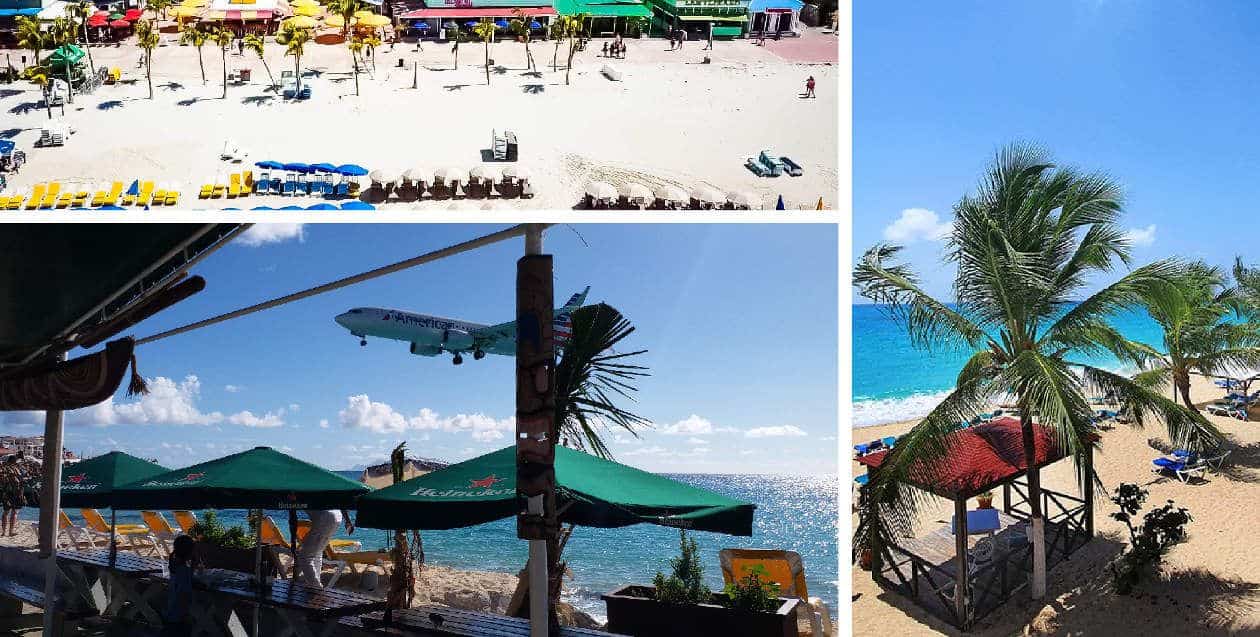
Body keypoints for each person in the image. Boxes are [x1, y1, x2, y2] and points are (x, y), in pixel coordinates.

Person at [296, 510, 352, 587]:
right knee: (317, 553)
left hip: (326, 517)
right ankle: (316, 584)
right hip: (337, 515)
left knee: (304, 557)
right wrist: (348, 521)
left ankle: (316, 587)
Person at [161, 534, 197, 637]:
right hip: (180, 611)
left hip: (171, 607)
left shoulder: (174, 564)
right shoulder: (183, 569)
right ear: (190, 552)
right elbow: (185, 589)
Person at [0, 453, 30, 537]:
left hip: (6, 492)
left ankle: (3, 532)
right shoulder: (17, 468)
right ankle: (10, 531)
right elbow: (24, 478)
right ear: (15, 461)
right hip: (16, 492)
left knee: (6, 512)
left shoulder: (4, 468)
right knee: (14, 512)